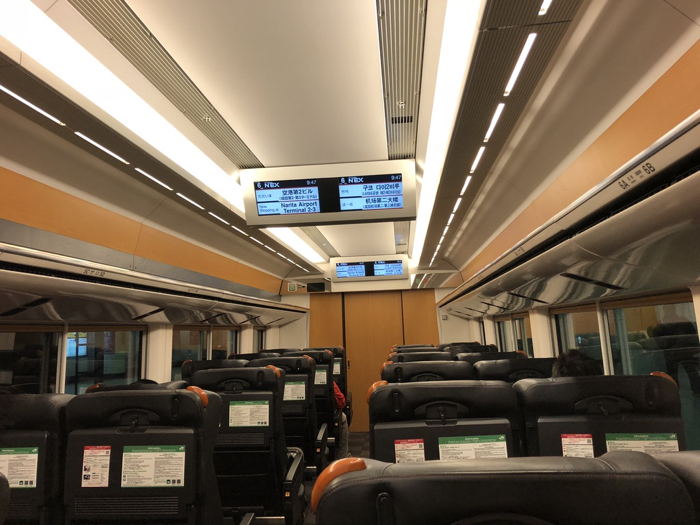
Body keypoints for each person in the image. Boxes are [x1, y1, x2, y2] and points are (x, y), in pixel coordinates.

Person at [333, 381, 350, 459]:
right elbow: (341, 402)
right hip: (329, 423)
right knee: (343, 417)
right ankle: (343, 457)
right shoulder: (328, 380)